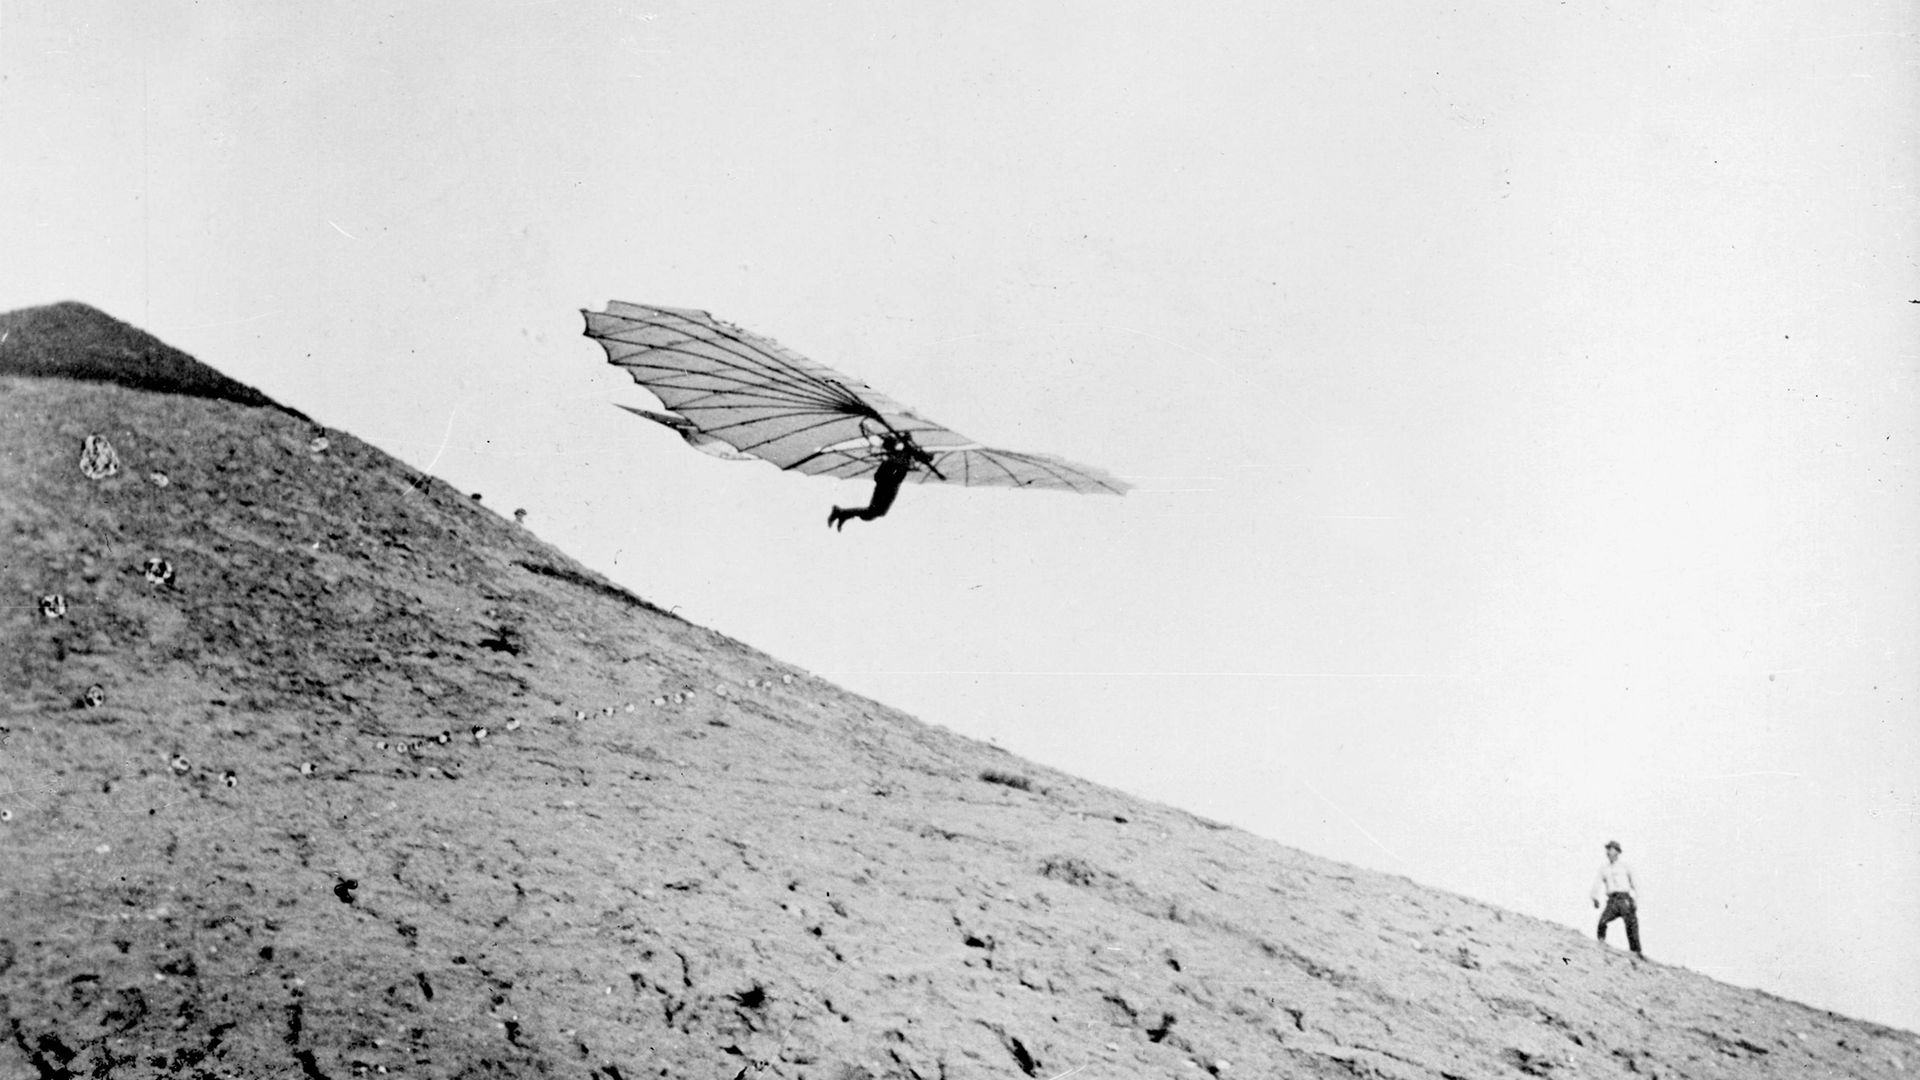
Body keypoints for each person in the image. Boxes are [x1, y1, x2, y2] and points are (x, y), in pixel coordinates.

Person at [828, 432, 926, 531]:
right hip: (888, 482)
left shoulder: (903, 453)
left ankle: (842, 513)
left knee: (877, 512)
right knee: (876, 512)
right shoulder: (898, 454)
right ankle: (841, 513)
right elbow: (893, 468)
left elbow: (900, 467)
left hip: (890, 482)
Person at [1590, 840, 1643, 956]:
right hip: (1612, 901)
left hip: (1625, 899)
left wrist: (1636, 901)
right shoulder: (1604, 869)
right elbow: (1596, 884)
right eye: (1607, 849)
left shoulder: (1625, 867)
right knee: (1602, 922)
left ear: (1617, 852)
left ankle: (1636, 954)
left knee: (1631, 926)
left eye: (1611, 849)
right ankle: (1601, 946)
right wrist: (1594, 898)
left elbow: (1636, 885)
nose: (1608, 852)